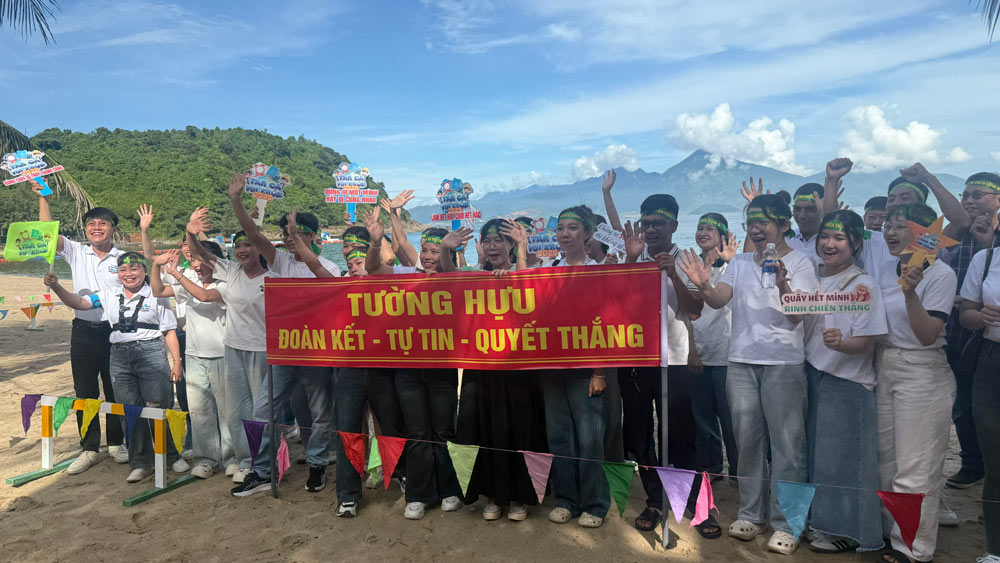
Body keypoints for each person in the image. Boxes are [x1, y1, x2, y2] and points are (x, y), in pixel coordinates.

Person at [677, 191, 820, 555]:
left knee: (788, 446)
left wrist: (784, 280)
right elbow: (718, 300)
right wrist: (704, 283)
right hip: (740, 362)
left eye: (763, 223)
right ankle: (751, 513)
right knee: (748, 442)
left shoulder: (803, 262)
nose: (756, 230)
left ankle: (788, 523)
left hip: (784, 363)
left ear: (783, 226)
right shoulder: (739, 262)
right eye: (751, 223)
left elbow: (796, 315)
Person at [222, 173, 340, 497]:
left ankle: (317, 465)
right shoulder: (281, 262)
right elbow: (252, 233)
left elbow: (334, 295)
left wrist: (294, 233)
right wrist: (236, 199)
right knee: (263, 413)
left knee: (319, 415)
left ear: (314, 236)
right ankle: (262, 471)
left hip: (316, 353)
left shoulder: (329, 266)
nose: (290, 239)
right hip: (283, 353)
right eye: (287, 234)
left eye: (298, 234)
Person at [286, 208, 407, 517]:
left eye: (359, 263)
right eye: (349, 264)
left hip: (382, 369)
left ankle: (404, 477)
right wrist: (295, 234)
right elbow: (313, 263)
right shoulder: (338, 285)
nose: (355, 268)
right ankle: (348, 494)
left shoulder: (383, 284)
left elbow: (382, 262)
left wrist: (377, 241)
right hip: (349, 371)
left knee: (391, 426)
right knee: (349, 431)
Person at [44, 253, 184, 483]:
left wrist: (176, 362)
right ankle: (141, 462)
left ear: (145, 271)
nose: (129, 274)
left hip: (150, 351)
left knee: (159, 405)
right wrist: (57, 286)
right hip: (118, 355)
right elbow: (78, 303)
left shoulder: (157, 293)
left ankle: (170, 455)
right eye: (123, 270)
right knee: (130, 410)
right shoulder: (108, 294)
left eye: (134, 269)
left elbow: (169, 331)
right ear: (118, 274)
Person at [365, 220, 469, 519]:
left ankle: (449, 489)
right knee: (417, 431)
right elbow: (373, 270)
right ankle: (419, 494)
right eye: (424, 250)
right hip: (407, 370)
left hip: (442, 369)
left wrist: (448, 251)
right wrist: (375, 242)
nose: (427, 256)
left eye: (435, 251)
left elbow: (454, 275)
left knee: (443, 429)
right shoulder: (404, 274)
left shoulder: (453, 277)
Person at [445, 219, 547, 521]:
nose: (493, 246)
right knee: (484, 429)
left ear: (510, 245)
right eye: (487, 241)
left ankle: (519, 498)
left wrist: (521, 251)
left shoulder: (525, 268)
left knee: (519, 429)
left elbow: (533, 289)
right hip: (482, 368)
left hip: (518, 369)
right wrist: (445, 251)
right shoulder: (476, 276)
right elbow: (449, 280)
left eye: (499, 241)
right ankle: (493, 495)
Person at [873, 204, 958, 563]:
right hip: (883, 364)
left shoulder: (940, 274)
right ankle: (887, 534)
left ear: (925, 233)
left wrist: (910, 292)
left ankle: (912, 548)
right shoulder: (881, 268)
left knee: (915, 467)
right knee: (885, 463)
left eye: (900, 226)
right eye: (888, 226)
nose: (890, 232)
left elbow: (926, 334)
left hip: (922, 372)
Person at [621, 195, 708, 535]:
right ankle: (655, 499)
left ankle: (690, 499)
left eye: (659, 223)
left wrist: (673, 276)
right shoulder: (629, 256)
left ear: (674, 225)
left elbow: (695, 309)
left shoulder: (686, 259)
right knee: (640, 435)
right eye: (647, 223)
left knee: (682, 435)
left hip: (676, 359)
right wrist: (630, 260)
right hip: (636, 361)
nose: (652, 229)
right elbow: (615, 302)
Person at [803, 210, 886, 554]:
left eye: (839, 238)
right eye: (825, 237)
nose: (829, 244)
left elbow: (867, 343)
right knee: (820, 458)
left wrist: (842, 344)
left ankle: (851, 531)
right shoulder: (811, 277)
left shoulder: (863, 285)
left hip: (847, 381)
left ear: (855, 243)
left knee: (846, 461)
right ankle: (822, 522)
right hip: (812, 375)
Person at [34, 181, 128, 474]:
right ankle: (88, 448)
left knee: (115, 390)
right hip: (83, 332)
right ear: (86, 229)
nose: (96, 228)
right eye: (91, 224)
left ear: (113, 228)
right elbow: (48, 233)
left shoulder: (123, 259)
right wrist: (44, 199)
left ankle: (116, 442)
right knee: (85, 391)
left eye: (103, 223)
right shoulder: (76, 251)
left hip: (115, 332)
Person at [183, 207, 269, 483]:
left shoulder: (274, 276)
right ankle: (245, 461)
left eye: (249, 244)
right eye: (238, 245)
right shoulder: (230, 271)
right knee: (238, 411)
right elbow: (201, 255)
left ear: (260, 248)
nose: (243, 250)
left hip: (263, 350)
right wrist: (189, 231)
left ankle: (265, 462)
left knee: (261, 411)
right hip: (233, 348)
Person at [543, 205, 609, 529]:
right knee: (559, 437)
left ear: (587, 234)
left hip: (586, 366)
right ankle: (566, 499)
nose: (565, 234)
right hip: (552, 366)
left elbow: (606, 323)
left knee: (589, 437)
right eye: (560, 228)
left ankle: (595, 503)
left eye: (572, 228)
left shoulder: (599, 270)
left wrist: (599, 371)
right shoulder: (547, 267)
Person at [150, 242, 231, 479]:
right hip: (194, 355)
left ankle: (233, 457)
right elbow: (157, 291)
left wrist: (176, 273)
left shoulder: (226, 285)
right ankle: (206, 459)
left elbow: (205, 296)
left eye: (201, 260)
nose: (196, 265)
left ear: (215, 261)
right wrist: (156, 265)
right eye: (193, 260)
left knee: (227, 412)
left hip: (222, 354)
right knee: (199, 411)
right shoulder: (188, 284)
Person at [939, 172, 1000, 490]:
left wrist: (988, 243)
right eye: (966, 195)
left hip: (990, 336)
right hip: (960, 331)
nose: (970, 201)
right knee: (966, 403)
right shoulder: (957, 232)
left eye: (978, 194)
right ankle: (974, 463)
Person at [687, 213, 740, 482]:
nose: (703, 232)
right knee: (703, 419)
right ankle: (712, 470)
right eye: (699, 227)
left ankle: (741, 473)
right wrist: (692, 351)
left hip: (728, 354)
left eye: (710, 228)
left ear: (723, 235)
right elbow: (686, 312)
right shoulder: (690, 265)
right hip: (699, 353)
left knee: (732, 421)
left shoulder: (734, 266)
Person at [958, 245, 1000, 563]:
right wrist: (980, 316)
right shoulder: (985, 259)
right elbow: (967, 315)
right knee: (995, 463)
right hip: (991, 360)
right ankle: (995, 551)